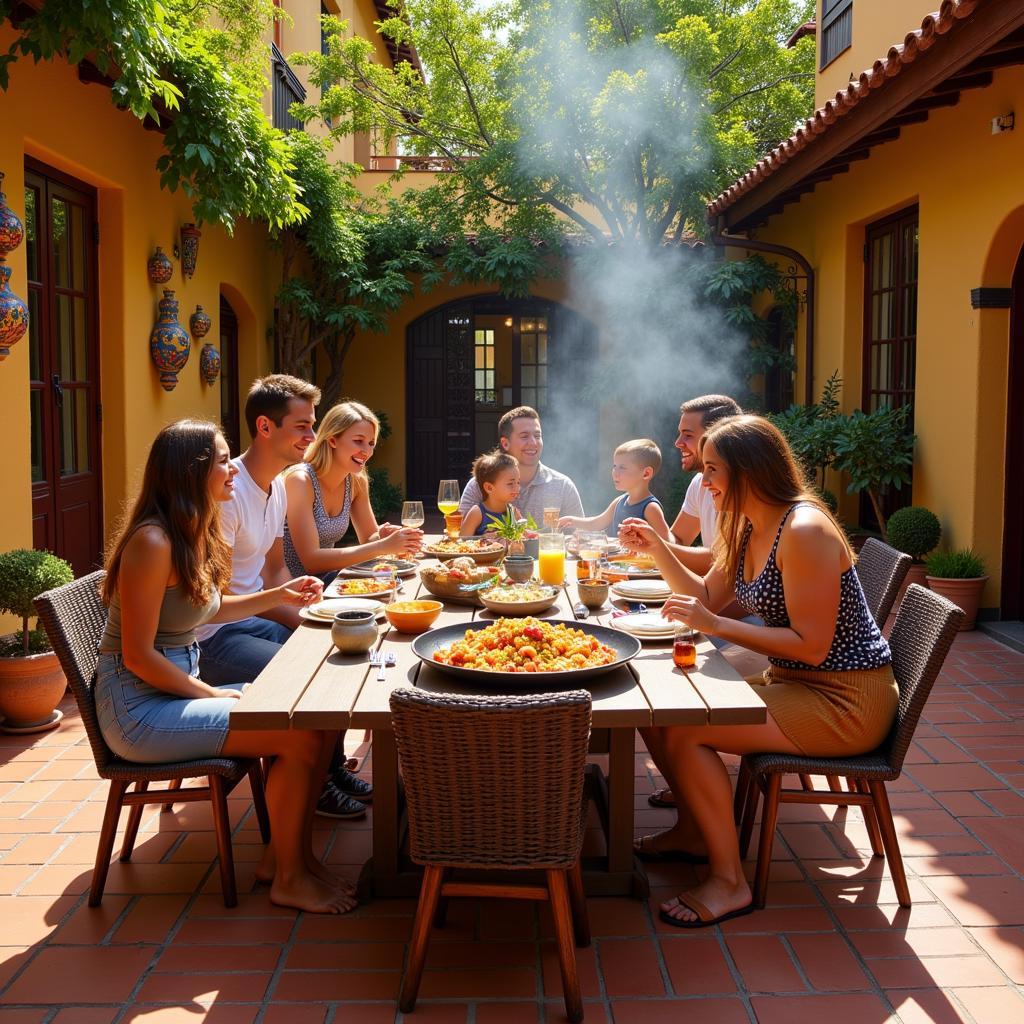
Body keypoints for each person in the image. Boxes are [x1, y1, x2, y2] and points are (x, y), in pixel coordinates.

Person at [620, 415, 897, 929]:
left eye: (712, 470)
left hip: (844, 701)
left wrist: (708, 622)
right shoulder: (748, 525)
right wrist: (658, 549)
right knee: (659, 708)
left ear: (749, 470)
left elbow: (811, 647)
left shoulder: (804, 529)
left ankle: (729, 883)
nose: (704, 482)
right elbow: (705, 597)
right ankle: (693, 831)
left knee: (685, 728)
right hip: (795, 681)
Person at [95, 419, 355, 914]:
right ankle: (290, 877)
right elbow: (136, 655)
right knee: (297, 734)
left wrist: (276, 595)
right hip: (139, 710)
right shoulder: (153, 543)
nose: (230, 469)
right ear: (190, 471)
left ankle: (285, 860)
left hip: (171, 691)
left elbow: (207, 609)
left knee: (317, 723)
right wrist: (209, 693)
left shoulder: (193, 528)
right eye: (220, 459)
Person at [196, 374, 369, 820]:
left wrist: (309, 610)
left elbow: (275, 570)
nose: (312, 437)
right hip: (214, 638)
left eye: (313, 426)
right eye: (302, 427)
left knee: (334, 655)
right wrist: (300, 616)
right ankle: (313, 785)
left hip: (257, 618)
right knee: (312, 677)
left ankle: (326, 769)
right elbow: (214, 599)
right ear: (265, 427)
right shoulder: (227, 493)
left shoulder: (273, 486)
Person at [283, 400, 422, 580]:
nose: (367, 451)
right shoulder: (300, 481)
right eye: (358, 441)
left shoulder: (356, 481)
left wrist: (382, 535)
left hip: (328, 581)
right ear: (332, 440)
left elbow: (368, 539)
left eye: (371, 443)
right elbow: (311, 561)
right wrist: (383, 546)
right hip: (291, 588)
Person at [457, 406, 584, 525]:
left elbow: (578, 538)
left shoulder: (562, 485)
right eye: (524, 436)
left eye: (537, 436)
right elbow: (458, 538)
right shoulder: (480, 484)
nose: (533, 443)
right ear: (505, 443)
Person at [558, 439, 669, 539]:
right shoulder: (619, 502)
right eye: (614, 466)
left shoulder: (650, 508)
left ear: (646, 473)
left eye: (622, 467)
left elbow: (668, 544)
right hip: (616, 561)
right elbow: (597, 523)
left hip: (639, 562)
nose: (615, 472)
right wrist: (572, 521)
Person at [460, 451, 521, 536]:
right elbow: (462, 541)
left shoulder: (513, 512)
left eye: (518, 482)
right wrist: (484, 538)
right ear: (489, 488)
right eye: (510, 483)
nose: (517, 488)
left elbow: (523, 537)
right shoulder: (477, 513)